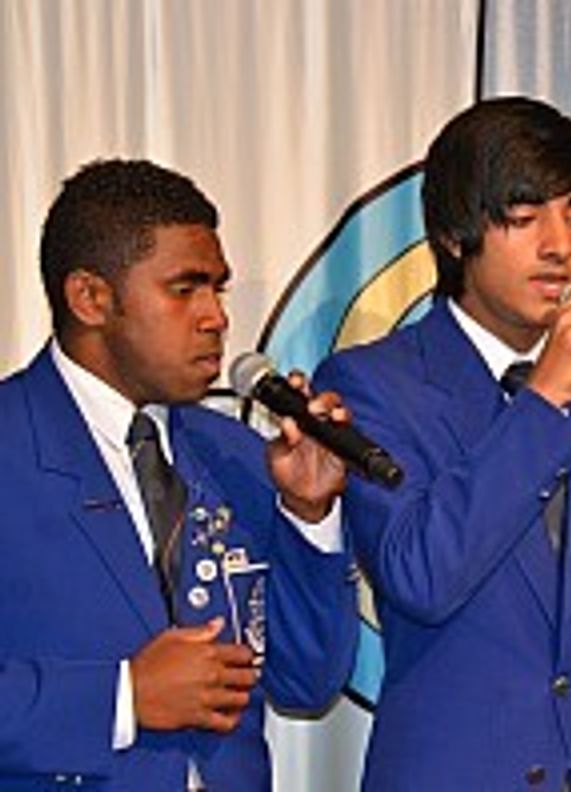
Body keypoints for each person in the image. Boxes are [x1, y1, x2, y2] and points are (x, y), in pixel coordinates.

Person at [314, 96, 571, 790]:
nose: (560, 246)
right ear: (453, 235)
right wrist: (545, 399)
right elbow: (422, 575)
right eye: (524, 219)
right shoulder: (372, 385)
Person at [0, 159, 359, 790]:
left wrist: (309, 517)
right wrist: (122, 698)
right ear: (90, 298)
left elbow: (308, 681)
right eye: (185, 288)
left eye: (218, 289)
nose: (216, 316)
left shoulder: (237, 455)